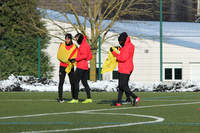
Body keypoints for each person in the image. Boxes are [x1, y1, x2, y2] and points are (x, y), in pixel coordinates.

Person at [110, 32, 140, 106]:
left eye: (120, 41)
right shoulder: (128, 46)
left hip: (125, 68)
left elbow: (123, 58)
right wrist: (114, 52)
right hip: (125, 67)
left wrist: (115, 56)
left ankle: (135, 97)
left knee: (123, 86)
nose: (119, 43)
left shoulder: (127, 47)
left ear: (123, 40)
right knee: (121, 86)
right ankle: (119, 102)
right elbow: (122, 55)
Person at [68, 33, 93, 104]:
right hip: (85, 67)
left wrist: (75, 59)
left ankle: (75, 98)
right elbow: (90, 56)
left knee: (76, 82)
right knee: (85, 83)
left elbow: (84, 55)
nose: (76, 40)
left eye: (76, 38)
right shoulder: (86, 45)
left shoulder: (83, 45)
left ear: (80, 38)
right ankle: (89, 98)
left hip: (80, 67)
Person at [57, 33, 78, 103]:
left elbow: (76, 56)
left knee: (72, 82)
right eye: (66, 39)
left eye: (68, 39)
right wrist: (67, 60)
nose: (67, 40)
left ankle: (74, 98)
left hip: (70, 66)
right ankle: (60, 98)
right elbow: (59, 56)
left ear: (71, 39)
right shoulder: (61, 45)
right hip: (62, 66)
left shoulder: (74, 47)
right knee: (61, 82)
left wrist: (72, 60)